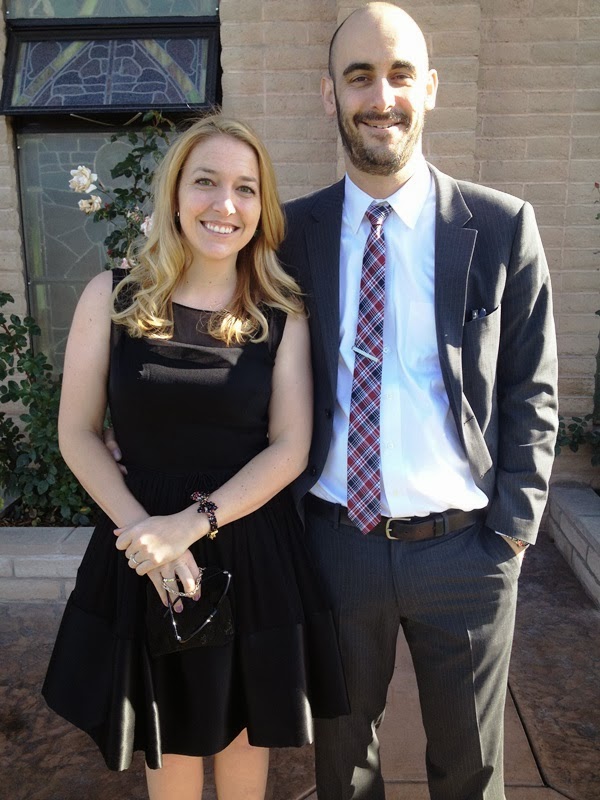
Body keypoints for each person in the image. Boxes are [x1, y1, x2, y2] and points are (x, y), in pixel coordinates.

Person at [276, 3, 558, 799]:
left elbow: (532, 385)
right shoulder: (288, 235)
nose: (381, 97)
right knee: (342, 767)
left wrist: (513, 530)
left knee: (470, 771)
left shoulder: (500, 227)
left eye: (400, 74)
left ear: (429, 88)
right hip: (335, 547)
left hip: (466, 554)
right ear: (329, 94)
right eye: (359, 76)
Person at [42, 114, 348, 800]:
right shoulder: (112, 297)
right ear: (176, 194)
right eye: (206, 182)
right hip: (140, 546)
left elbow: (290, 447)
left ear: (262, 208)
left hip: (249, 544)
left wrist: (188, 526)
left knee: (242, 745)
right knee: (171, 745)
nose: (225, 204)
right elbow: (77, 434)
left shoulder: (280, 311)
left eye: (245, 188)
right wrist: (147, 537)